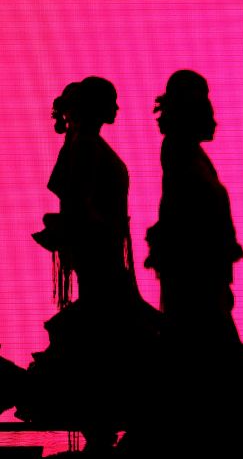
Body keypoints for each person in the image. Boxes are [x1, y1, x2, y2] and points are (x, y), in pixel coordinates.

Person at [18, 77, 162, 454]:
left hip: (103, 253)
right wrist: (104, 231)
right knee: (118, 330)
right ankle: (106, 420)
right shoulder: (85, 147)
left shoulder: (85, 145)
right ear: (97, 106)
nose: (117, 108)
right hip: (101, 255)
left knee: (108, 332)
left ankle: (101, 423)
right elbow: (79, 203)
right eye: (112, 102)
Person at [138, 69, 243, 456]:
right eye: (201, 99)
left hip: (199, 273)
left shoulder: (185, 151)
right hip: (195, 276)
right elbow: (183, 214)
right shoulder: (180, 151)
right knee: (211, 355)